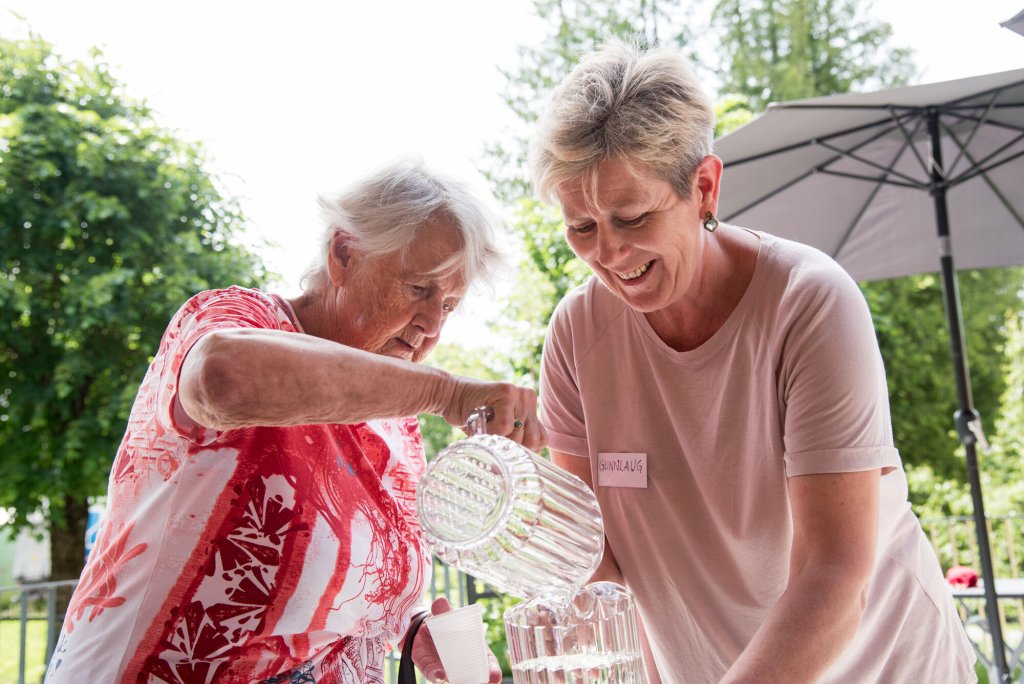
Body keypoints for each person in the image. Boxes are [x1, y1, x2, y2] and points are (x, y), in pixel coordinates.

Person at [532, 40, 976, 683]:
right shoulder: (577, 335)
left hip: (884, 665)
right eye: (581, 227)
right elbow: (589, 554)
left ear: (704, 187)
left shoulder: (809, 303)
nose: (610, 253)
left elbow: (834, 572)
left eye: (632, 216)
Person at [45, 159, 544, 684]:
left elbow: (357, 590)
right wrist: (446, 392)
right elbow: (224, 377)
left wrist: (414, 629)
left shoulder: (399, 424)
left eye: (450, 304)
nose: (432, 324)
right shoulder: (237, 322)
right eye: (420, 289)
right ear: (343, 253)